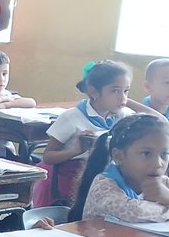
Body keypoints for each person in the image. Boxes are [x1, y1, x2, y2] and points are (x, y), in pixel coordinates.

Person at [32, 60, 161, 207]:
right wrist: (76, 150)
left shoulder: (122, 115)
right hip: (75, 179)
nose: (122, 97)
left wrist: (124, 101)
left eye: (126, 91)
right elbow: (48, 157)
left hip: (110, 177)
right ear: (93, 92)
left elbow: (159, 121)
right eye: (115, 91)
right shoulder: (71, 117)